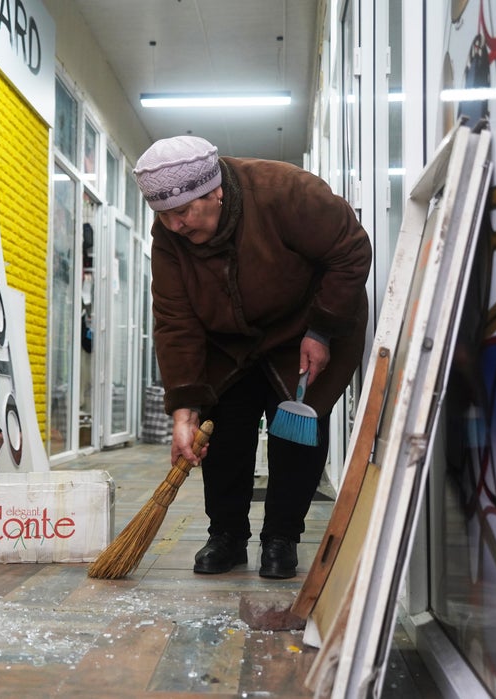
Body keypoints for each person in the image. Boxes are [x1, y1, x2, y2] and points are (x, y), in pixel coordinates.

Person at [133, 136, 371, 579]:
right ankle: (226, 536)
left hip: (305, 326)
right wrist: (184, 410)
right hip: (228, 342)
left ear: (216, 192)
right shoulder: (169, 236)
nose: (175, 225)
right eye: (163, 215)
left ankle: (282, 536)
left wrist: (322, 330)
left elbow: (351, 250)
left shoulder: (285, 190)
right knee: (224, 430)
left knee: (296, 433)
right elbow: (175, 319)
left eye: (184, 211)